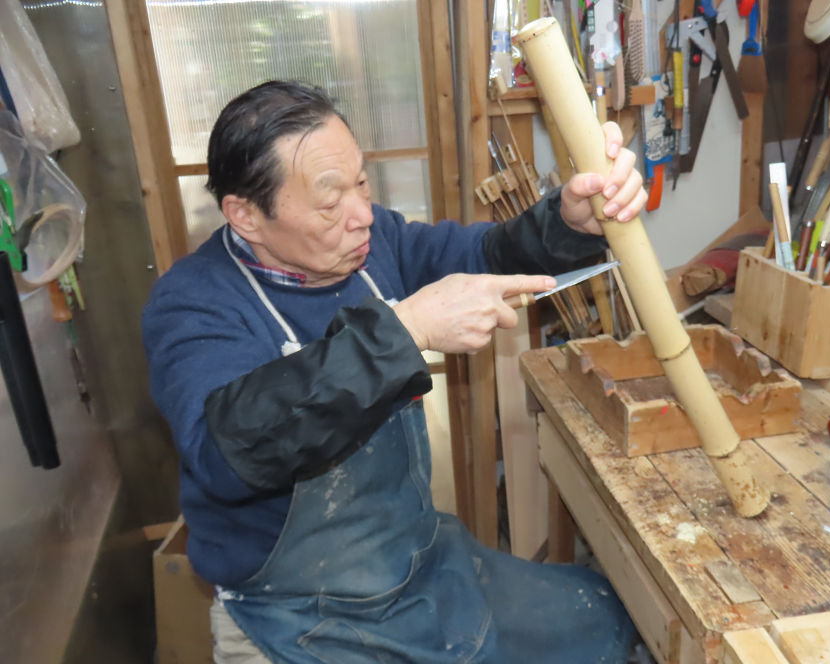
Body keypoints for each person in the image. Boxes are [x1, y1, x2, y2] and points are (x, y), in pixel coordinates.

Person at [142, 80, 647, 664]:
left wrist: (567, 223)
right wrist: (405, 330)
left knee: (608, 617)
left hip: (417, 565)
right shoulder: (194, 303)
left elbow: (484, 256)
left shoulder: (374, 241)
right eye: (329, 203)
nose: (363, 215)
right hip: (298, 616)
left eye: (361, 182)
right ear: (246, 215)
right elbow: (226, 451)